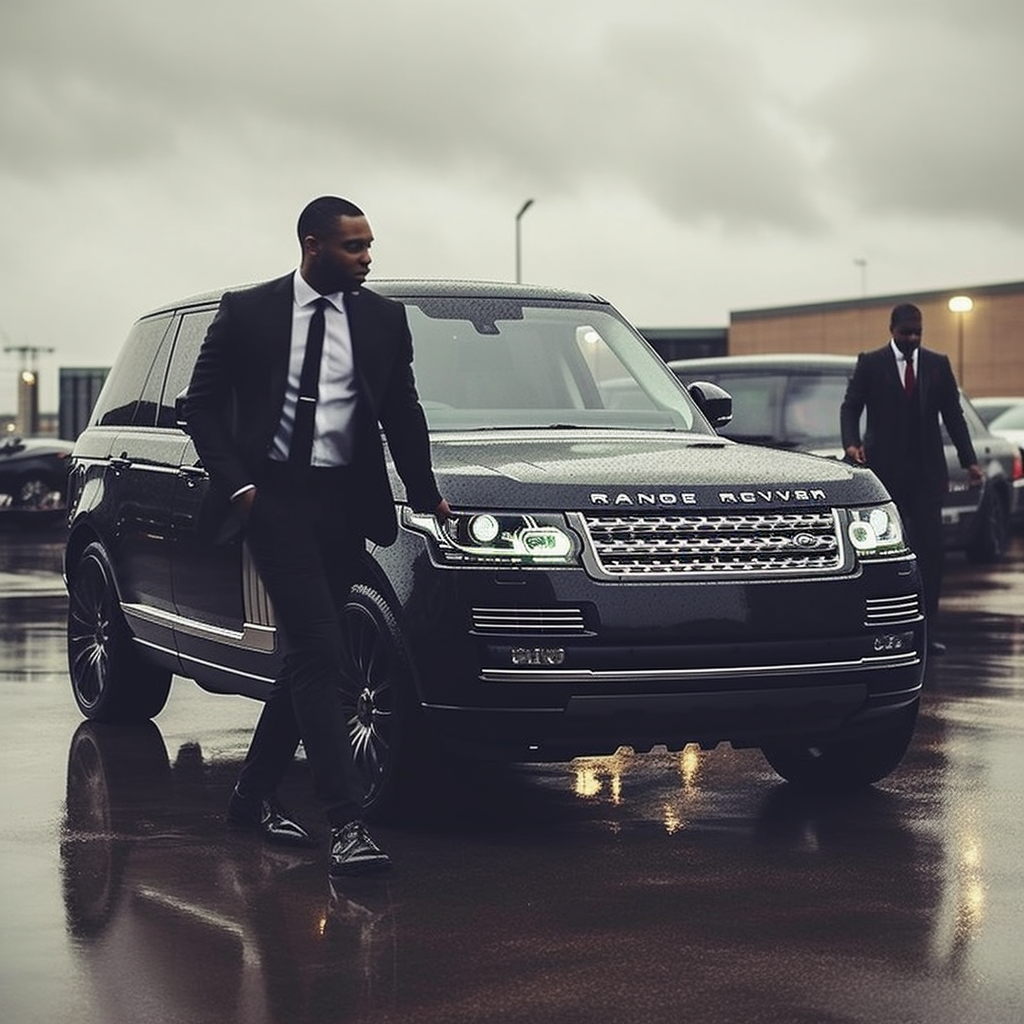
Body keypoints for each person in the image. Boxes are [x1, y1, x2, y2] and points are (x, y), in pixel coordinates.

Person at [184, 195, 451, 876]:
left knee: (309, 657)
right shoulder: (248, 313)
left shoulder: (384, 320)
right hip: (273, 503)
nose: (368, 258)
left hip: (343, 504)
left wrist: (425, 495)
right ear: (312, 246)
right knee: (322, 652)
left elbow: (403, 413)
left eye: (369, 246)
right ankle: (346, 821)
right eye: (354, 247)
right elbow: (201, 405)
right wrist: (239, 486)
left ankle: (251, 795)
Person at [840, 303, 983, 651]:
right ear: (892, 330)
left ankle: (928, 632)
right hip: (886, 477)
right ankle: (885, 631)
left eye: (918, 332)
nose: (913, 339)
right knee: (885, 554)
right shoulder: (870, 364)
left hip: (926, 476)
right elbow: (851, 406)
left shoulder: (937, 364)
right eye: (907, 333)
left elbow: (953, 415)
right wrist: (851, 443)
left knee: (931, 553)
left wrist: (970, 461)